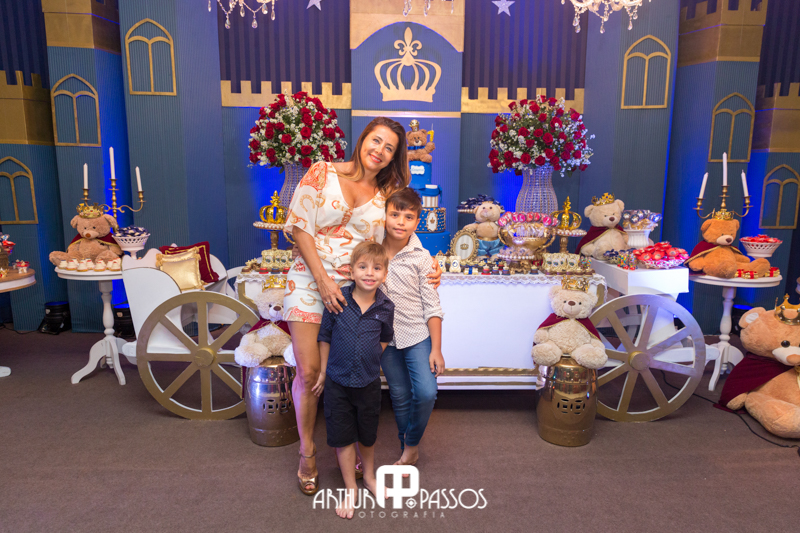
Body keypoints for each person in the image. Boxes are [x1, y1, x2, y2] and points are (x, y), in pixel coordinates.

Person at [283, 117, 439, 495]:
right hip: (308, 281)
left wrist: (431, 261)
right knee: (310, 372)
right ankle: (307, 451)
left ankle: (348, 446)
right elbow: (300, 227)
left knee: (349, 373)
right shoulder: (322, 172)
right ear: (363, 139)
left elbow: (401, 232)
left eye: (389, 148)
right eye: (376, 140)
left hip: (356, 292)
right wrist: (322, 279)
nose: (380, 151)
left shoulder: (387, 193)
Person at [312, 242, 394, 519]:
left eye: (377, 268)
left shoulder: (386, 307)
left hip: (369, 382)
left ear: (384, 274)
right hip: (337, 383)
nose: (369, 273)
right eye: (363, 267)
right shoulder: (338, 300)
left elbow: (385, 338)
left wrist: (370, 357)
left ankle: (369, 477)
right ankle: (350, 488)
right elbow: (325, 336)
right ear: (351, 271)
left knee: (367, 435)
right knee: (343, 437)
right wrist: (324, 372)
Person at [380, 188, 445, 471]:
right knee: (399, 393)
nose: (400, 222)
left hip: (417, 333)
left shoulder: (423, 258)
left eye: (408, 217)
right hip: (384, 337)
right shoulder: (372, 250)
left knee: (426, 391)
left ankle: (412, 442)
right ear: (384, 216)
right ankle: (406, 448)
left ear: (418, 221)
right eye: (395, 214)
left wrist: (436, 349)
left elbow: (433, 307)